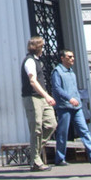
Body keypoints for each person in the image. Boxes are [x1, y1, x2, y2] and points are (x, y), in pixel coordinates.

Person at [51, 50, 91, 166]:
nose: (72, 58)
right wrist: (69, 98)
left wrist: (78, 100)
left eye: (73, 56)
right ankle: (60, 158)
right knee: (63, 132)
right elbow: (57, 89)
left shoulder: (71, 72)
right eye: (69, 56)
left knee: (84, 130)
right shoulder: (57, 72)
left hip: (76, 106)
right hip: (64, 106)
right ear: (62, 58)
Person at [21, 36, 56, 171]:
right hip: (33, 97)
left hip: (41, 97)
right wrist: (47, 95)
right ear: (38, 47)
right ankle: (36, 161)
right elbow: (32, 81)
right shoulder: (29, 61)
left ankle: (34, 151)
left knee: (51, 124)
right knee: (36, 128)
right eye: (42, 46)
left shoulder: (36, 61)